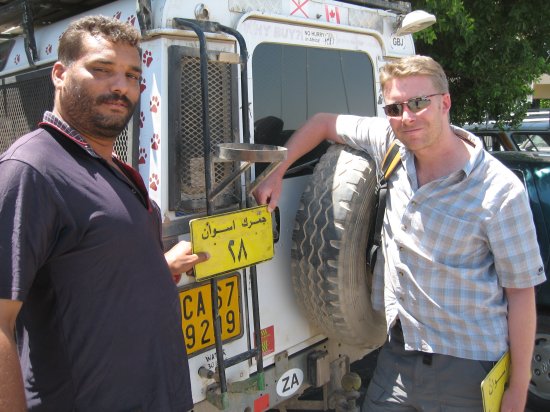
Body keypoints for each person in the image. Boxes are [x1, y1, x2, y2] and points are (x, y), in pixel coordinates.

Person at [254, 55, 546, 411]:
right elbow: (321, 123)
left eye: (419, 103)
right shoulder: (392, 146)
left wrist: (517, 390)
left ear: (445, 103)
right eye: (394, 108)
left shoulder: (500, 190)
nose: (407, 117)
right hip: (396, 356)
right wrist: (276, 172)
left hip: (468, 368)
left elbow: (521, 295)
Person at [0, 16, 208, 411]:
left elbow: (86, 268)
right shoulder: (31, 170)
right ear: (60, 74)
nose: (121, 86)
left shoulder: (110, 167)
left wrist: (159, 268)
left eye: (132, 75)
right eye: (101, 69)